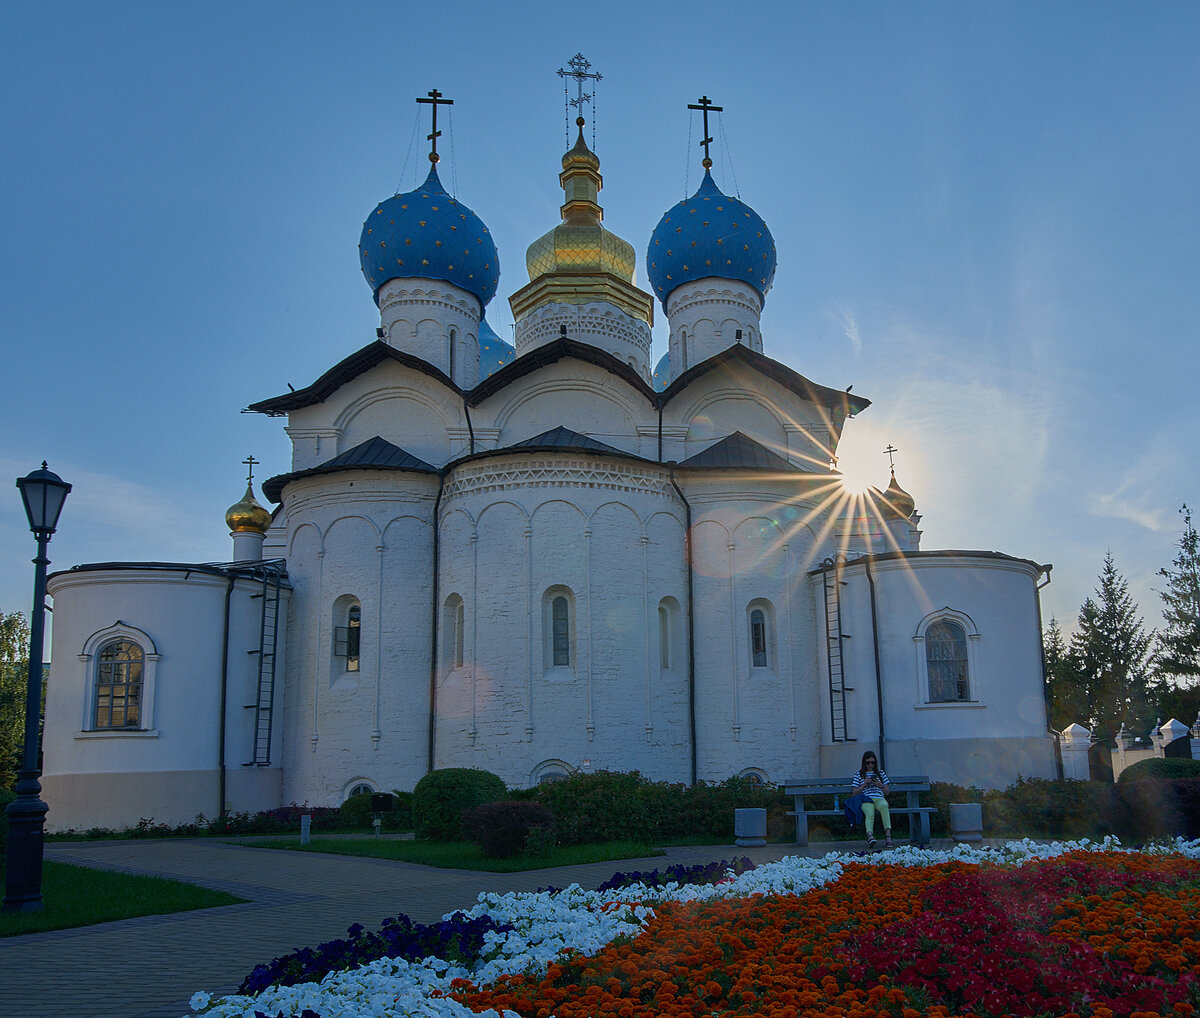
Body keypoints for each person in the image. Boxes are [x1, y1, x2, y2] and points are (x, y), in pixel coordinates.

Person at [851, 750, 892, 850]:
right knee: (869, 812)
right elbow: (854, 793)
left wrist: (880, 785)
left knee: (884, 806)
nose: (870, 765)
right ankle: (870, 836)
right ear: (864, 763)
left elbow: (887, 792)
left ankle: (888, 836)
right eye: (868, 763)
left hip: (879, 798)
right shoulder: (859, 774)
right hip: (866, 798)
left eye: (872, 763)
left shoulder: (881, 773)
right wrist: (864, 784)